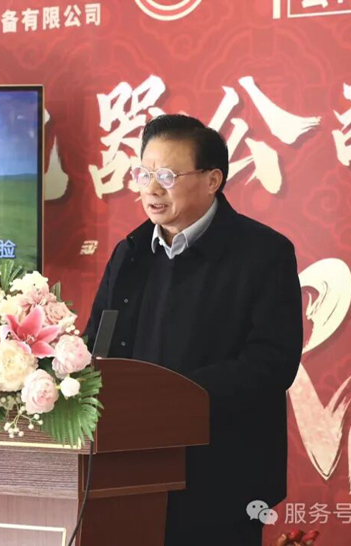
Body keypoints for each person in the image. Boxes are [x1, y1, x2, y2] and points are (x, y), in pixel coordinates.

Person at [84, 114, 303, 546]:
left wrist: (171, 397)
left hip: (223, 474)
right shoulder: (130, 253)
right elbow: (96, 346)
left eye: (167, 176)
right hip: (129, 472)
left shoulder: (264, 254)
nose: (151, 188)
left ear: (212, 180)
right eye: (143, 174)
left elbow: (272, 363)